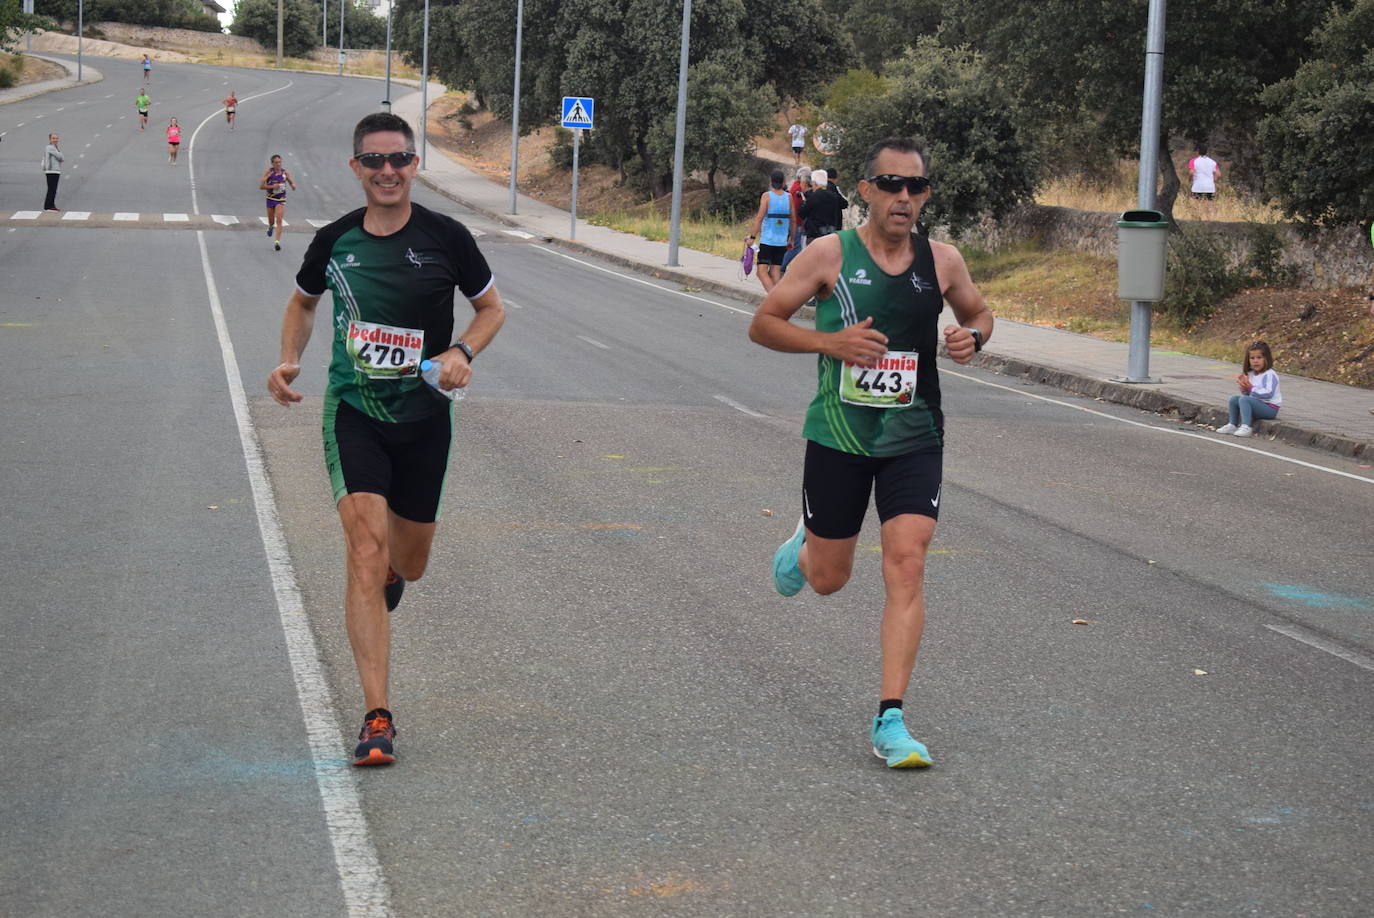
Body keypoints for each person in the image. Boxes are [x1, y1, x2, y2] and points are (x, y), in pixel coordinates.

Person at [267, 113, 506, 767]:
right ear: (356, 169)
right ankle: (377, 716)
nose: (387, 171)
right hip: (356, 413)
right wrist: (290, 359)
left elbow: (492, 309)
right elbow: (302, 302)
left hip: (426, 417)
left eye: (399, 159)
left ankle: (398, 570)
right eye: (374, 161)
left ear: (415, 164)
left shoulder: (447, 238)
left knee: (410, 560)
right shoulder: (335, 241)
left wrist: (462, 351)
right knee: (364, 553)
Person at [747, 136, 994, 769]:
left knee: (906, 562)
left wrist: (972, 338)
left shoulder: (942, 261)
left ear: (926, 195)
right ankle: (805, 549)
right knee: (831, 580)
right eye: (891, 184)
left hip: (915, 436)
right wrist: (827, 345)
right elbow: (764, 323)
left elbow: (979, 314)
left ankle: (891, 719)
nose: (903, 197)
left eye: (915, 186)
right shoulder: (831, 254)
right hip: (838, 434)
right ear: (866, 191)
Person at [1217, 340, 1281, 437]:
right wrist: (1245, 389)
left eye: (1259, 357)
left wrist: (1251, 389)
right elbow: (1248, 396)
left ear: (1266, 358)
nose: (1255, 361)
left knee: (1244, 399)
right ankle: (1232, 424)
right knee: (1234, 399)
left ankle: (1246, 426)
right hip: (1257, 404)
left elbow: (1268, 393)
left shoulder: (1269, 374)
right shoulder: (1251, 374)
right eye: (1252, 358)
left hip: (1270, 408)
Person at [748, 169, 798, 293]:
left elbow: (759, 218)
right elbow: (793, 221)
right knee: (775, 271)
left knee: (761, 272)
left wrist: (752, 237)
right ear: (784, 182)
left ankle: (774, 300)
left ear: (771, 181)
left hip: (768, 241)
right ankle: (779, 299)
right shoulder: (789, 197)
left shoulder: (767, 196)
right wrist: (792, 238)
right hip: (782, 242)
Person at [260, 154, 297, 251]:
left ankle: (277, 242)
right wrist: (273, 187)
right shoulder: (268, 172)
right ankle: (270, 227)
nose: (278, 164)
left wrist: (293, 185)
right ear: (272, 163)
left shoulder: (285, 173)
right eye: (276, 163)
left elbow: (290, 181)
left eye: (280, 162)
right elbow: (261, 186)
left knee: (279, 220)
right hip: (270, 198)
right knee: (271, 221)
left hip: (280, 199)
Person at [800, 167, 844, 246]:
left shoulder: (813, 197)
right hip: (829, 235)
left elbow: (802, 213)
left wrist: (803, 201)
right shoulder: (834, 196)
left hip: (814, 235)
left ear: (815, 183)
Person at [780, 167, 812, 274]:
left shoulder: (794, 186)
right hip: (796, 223)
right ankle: (781, 267)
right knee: (796, 247)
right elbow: (799, 208)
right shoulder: (800, 190)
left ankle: (777, 265)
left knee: (788, 245)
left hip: (789, 221)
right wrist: (801, 223)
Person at [42, 133, 63, 212]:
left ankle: (49, 205)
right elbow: (61, 157)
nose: (55, 140)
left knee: (52, 189)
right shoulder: (50, 147)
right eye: (53, 138)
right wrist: (60, 154)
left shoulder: (54, 147)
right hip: (52, 171)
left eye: (57, 138)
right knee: (52, 189)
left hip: (53, 171)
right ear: (50, 139)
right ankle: (49, 206)